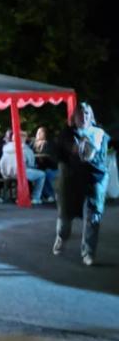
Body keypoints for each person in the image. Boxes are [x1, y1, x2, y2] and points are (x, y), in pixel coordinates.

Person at [53, 104, 110, 266]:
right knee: (65, 217)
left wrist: (89, 153)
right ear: (74, 117)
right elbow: (59, 153)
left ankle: (88, 252)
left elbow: (100, 158)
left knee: (93, 217)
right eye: (79, 113)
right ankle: (61, 237)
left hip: (94, 179)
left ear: (91, 116)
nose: (83, 116)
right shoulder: (67, 133)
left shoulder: (99, 134)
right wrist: (72, 149)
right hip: (72, 180)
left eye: (86, 113)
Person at [0, 132, 46, 204]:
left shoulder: (5, 148)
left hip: (6, 173)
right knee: (42, 174)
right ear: (23, 139)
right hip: (20, 173)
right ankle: (36, 198)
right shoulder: (26, 149)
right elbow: (31, 164)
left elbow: (1, 162)